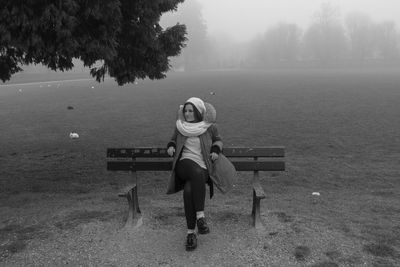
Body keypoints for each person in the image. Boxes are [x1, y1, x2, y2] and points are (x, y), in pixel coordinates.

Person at [166, 97, 222, 251]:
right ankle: (200, 217)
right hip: (184, 165)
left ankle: (191, 233)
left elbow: (218, 140)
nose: (187, 113)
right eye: (185, 111)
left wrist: (216, 150)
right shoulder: (180, 126)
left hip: (203, 167)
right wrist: (171, 146)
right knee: (194, 171)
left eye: (191, 111)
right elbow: (172, 140)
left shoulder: (209, 127)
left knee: (189, 190)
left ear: (198, 111)